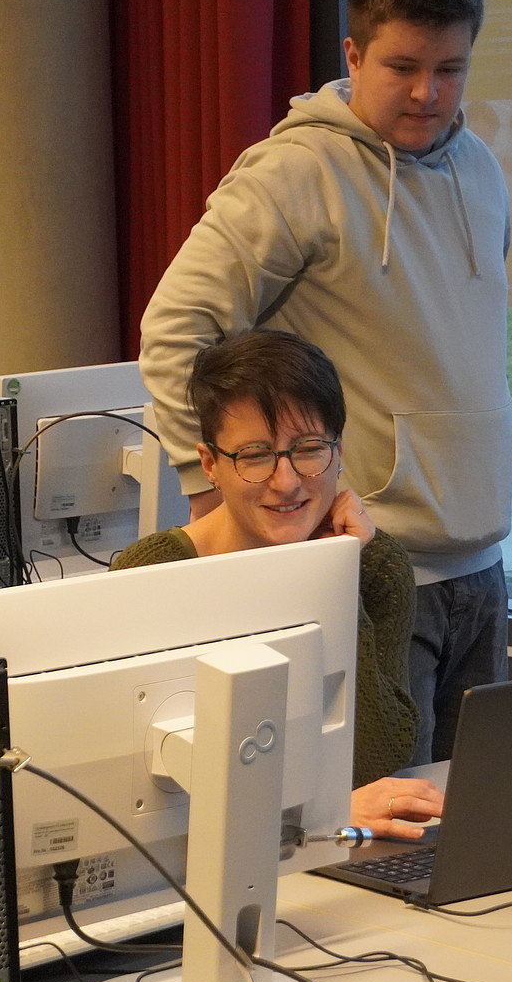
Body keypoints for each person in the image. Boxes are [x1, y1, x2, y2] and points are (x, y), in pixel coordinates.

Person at [139, 0, 512, 765]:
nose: (428, 92)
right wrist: (210, 489)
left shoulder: (480, 168)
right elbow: (174, 328)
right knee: (384, 818)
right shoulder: (296, 173)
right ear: (353, 55)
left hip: (483, 564)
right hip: (374, 571)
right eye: (403, 67)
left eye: (450, 69)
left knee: (480, 815)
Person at [113, 330, 442, 840]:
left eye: (308, 450)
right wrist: (313, 813)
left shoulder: (373, 565)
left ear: (338, 451)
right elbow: (139, 786)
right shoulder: (154, 574)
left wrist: (334, 576)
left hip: (327, 845)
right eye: (254, 455)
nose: (286, 481)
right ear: (210, 465)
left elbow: (374, 758)